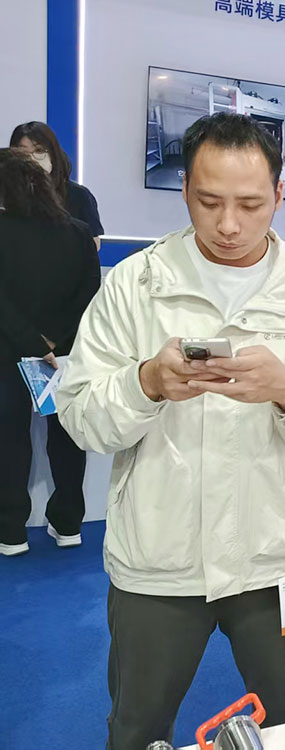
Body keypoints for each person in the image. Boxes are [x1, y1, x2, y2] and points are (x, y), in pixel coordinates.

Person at [55, 113, 285, 749]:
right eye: (209, 201)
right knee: (137, 728)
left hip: (275, 553)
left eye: (250, 205)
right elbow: (81, 414)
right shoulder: (136, 284)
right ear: (184, 191)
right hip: (159, 557)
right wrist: (146, 383)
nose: (229, 224)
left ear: (279, 196)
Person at [0, 149, 100, 556]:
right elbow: (90, 295)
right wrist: (56, 342)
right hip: (66, 354)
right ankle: (69, 524)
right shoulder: (78, 232)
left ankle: (11, 532)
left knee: (9, 439)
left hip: (9, 350)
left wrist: (32, 342)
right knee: (69, 436)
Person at [11, 121, 104, 248]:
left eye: (39, 150)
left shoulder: (79, 195)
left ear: (53, 153)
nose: (31, 158)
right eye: (23, 152)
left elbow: (92, 244)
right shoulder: (6, 195)